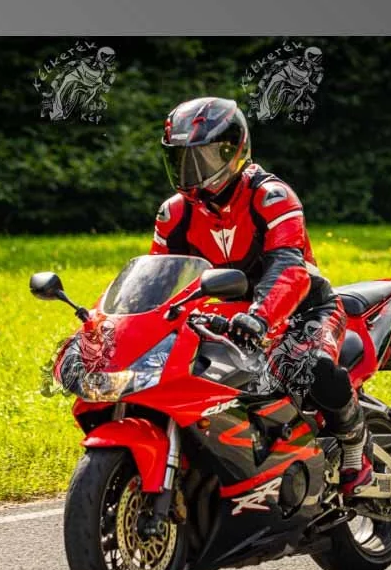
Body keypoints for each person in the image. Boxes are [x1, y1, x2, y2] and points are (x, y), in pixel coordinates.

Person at [150, 97, 372, 495]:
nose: (190, 170)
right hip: (227, 320)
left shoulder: (270, 196)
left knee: (311, 366)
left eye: (202, 157)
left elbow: (288, 267)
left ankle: (355, 441)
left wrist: (260, 316)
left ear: (233, 151)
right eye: (182, 159)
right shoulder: (175, 214)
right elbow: (159, 282)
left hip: (303, 309)